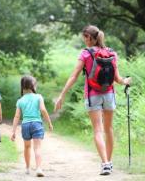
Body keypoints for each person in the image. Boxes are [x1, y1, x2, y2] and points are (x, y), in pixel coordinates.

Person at [54, 25, 131, 175]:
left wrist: (62, 94)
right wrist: (126, 81)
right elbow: (117, 79)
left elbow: (74, 75)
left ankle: (105, 163)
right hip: (109, 94)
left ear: (89, 37)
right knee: (109, 129)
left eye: (85, 37)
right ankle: (109, 163)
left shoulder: (85, 54)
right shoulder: (111, 53)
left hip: (92, 95)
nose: (84, 40)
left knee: (98, 129)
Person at [11, 75, 53, 177]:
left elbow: (17, 116)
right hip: (36, 124)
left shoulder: (20, 100)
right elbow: (43, 110)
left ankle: (27, 168)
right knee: (37, 148)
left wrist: (13, 131)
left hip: (25, 125)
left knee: (27, 147)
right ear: (33, 86)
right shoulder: (38, 97)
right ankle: (38, 168)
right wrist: (49, 123)